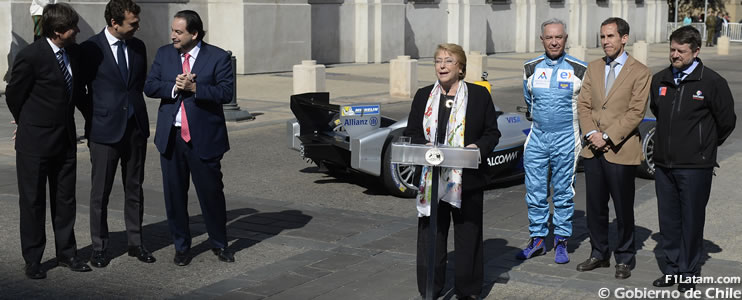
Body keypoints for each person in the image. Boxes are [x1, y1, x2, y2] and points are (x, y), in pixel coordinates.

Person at [404, 43, 501, 299]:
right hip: (431, 179)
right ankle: (429, 289)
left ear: (461, 68)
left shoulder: (479, 96)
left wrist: (476, 147)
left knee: (468, 236)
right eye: (438, 61)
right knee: (430, 237)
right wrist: (422, 144)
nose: (442, 66)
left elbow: (492, 133)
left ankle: (467, 291)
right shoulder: (424, 95)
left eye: (448, 61)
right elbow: (411, 132)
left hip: (466, 180)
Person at [5, 2, 92, 279]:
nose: (77, 31)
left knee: (65, 199)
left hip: (65, 139)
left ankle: (67, 254)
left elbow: (77, 91)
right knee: (33, 202)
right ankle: (33, 259)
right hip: (34, 142)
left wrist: (92, 120)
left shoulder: (74, 53)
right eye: (72, 28)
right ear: (57, 31)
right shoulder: (32, 55)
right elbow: (14, 94)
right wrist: (25, 122)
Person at [144, 10, 235, 267]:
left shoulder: (217, 56)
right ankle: (181, 246)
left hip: (203, 138)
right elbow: (150, 86)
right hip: (171, 137)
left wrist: (196, 88)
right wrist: (174, 86)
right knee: (174, 196)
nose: (173, 35)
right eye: (172, 30)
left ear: (194, 34)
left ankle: (220, 243)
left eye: (178, 32)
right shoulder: (164, 54)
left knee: (211, 194)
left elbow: (226, 92)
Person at [649, 25, 736, 292]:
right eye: (672, 49)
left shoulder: (711, 82)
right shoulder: (660, 79)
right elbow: (657, 110)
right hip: (664, 164)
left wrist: (704, 147)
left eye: (681, 51)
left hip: (695, 167)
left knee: (691, 219)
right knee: (669, 221)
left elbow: (727, 121)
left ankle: (688, 271)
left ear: (696, 51)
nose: (675, 55)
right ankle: (673, 268)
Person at [80, 0, 155, 268]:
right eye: (132, 23)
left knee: (134, 187)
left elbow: (138, 84)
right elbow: (80, 90)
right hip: (104, 130)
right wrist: (97, 115)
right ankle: (99, 247)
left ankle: (136, 242)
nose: (138, 27)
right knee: (100, 192)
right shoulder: (90, 48)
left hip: (135, 128)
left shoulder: (138, 46)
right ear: (114, 23)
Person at [575, 17, 650, 280]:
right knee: (595, 206)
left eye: (610, 36)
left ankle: (625, 257)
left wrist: (607, 136)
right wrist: (592, 133)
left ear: (624, 38)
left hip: (621, 149)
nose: (605, 42)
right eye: (603, 37)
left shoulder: (640, 71)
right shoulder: (593, 68)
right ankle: (599, 253)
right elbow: (583, 104)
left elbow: (636, 112)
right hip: (592, 150)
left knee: (623, 207)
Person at [517, 18, 586, 264]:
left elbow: (586, 105)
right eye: (549, 37)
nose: (554, 41)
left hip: (567, 137)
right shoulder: (530, 67)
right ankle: (537, 239)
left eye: (559, 37)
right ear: (542, 40)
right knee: (534, 191)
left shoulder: (580, 68)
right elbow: (529, 100)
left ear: (565, 39)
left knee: (564, 192)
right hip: (537, 136)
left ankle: (561, 241)